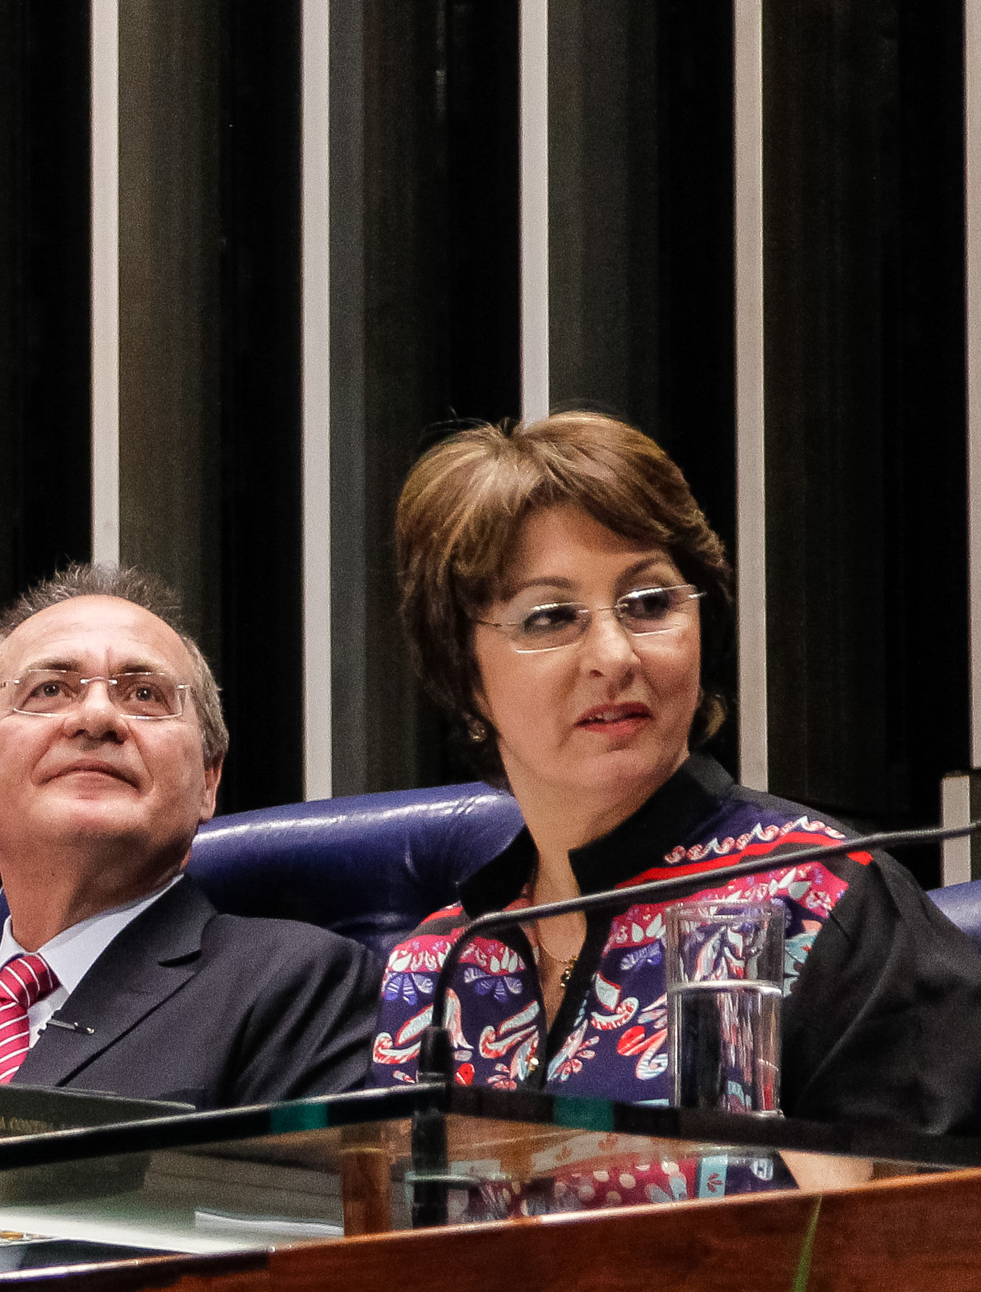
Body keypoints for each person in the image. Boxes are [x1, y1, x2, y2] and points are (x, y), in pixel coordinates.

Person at [371, 411, 981, 1162]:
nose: (614, 654)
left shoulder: (821, 897)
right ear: (463, 675)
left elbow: (922, 1219)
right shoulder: (434, 966)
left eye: (650, 603)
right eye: (551, 617)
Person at [0, 563, 381, 1107]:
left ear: (208, 781)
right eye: (49, 690)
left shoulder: (297, 989)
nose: (97, 717)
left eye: (144, 695)